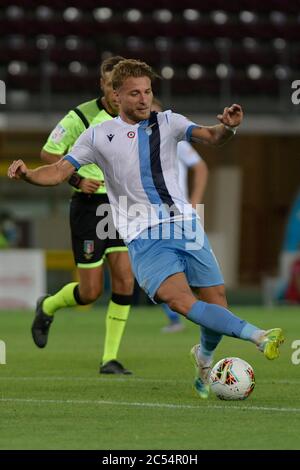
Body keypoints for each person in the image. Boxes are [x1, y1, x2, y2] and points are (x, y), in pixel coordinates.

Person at [8, 59, 284, 399]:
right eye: (135, 93)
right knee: (181, 302)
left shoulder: (169, 122)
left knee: (217, 304)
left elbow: (211, 137)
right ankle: (259, 336)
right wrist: (28, 174)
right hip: (144, 235)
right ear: (116, 95)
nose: (143, 99)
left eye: (148, 92)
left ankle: (205, 358)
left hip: (185, 225)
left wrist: (227, 128)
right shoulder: (98, 135)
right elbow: (58, 171)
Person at [33, 56, 134, 375]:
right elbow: (48, 153)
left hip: (123, 206)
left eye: (120, 86)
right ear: (102, 85)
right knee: (90, 291)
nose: (115, 92)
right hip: (89, 207)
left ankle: (110, 358)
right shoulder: (80, 116)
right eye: (109, 85)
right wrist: (76, 178)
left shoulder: (136, 117)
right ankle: (48, 305)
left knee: (125, 278)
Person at [151, 98, 208, 333]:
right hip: (151, 213)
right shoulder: (132, 143)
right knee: (159, 268)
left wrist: (195, 201)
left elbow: (201, 167)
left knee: (193, 267)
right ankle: (177, 318)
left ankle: (206, 312)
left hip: (180, 211)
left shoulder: (176, 141)